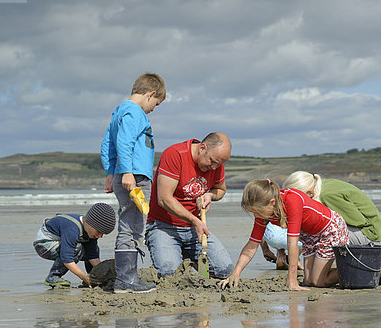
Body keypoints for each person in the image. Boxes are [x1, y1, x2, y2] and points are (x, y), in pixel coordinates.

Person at [100, 72, 166, 293]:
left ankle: (127, 277)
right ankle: (127, 280)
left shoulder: (119, 111)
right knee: (133, 226)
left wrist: (111, 172)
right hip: (134, 176)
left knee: (129, 223)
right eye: (155, 104)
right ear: (151, 94)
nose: (153, 109)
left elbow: (108, 142)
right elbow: (124, 141)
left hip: (124, 173)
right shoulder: (134, 112)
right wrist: (127, 172)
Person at [219, 179, 349, 291]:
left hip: (330, 229)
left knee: (318, 282)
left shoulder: (292, 200)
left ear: (272, 202)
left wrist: (292, 280)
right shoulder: (263, 213)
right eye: (253, 212)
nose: (256, 216)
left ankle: (358, 270)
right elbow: (252, 245)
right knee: (309, 281)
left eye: (257, 211)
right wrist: (235, 273)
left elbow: (292, 242)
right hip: (310, 235)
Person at [145, 132, 234, 278]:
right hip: (164, 226)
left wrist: (210, 195)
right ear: (202, 148)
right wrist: (194, 220)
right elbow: (164, 199)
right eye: (211, 161)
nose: (213, 168)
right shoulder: (175, 154)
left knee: (225, 270)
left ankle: (187, 256)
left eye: (218, 164)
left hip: (195, 229)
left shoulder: (217, 164)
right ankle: (172, 255)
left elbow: (220, 190)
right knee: (170, 273)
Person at [283, 171, 381, 284]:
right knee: (310, 279)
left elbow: (358, 220)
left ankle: (369, 268)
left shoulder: (327, 195)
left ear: (309, 193)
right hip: (360, 230)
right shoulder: (319, 185)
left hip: (369, 233)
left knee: (326, 234)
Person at [33, 202, 116, 288]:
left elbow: (92, 255)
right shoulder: (72, 228)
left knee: (95, 249)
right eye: (99, 232)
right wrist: (83, 276)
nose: (100, 236)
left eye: (103, 234)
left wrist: (103, 273)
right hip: (45, 244)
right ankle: (53, 276)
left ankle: (93, 276)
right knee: (76, 249)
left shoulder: (90, 232)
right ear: (90, 223)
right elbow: (67, 258)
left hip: (60, 242)